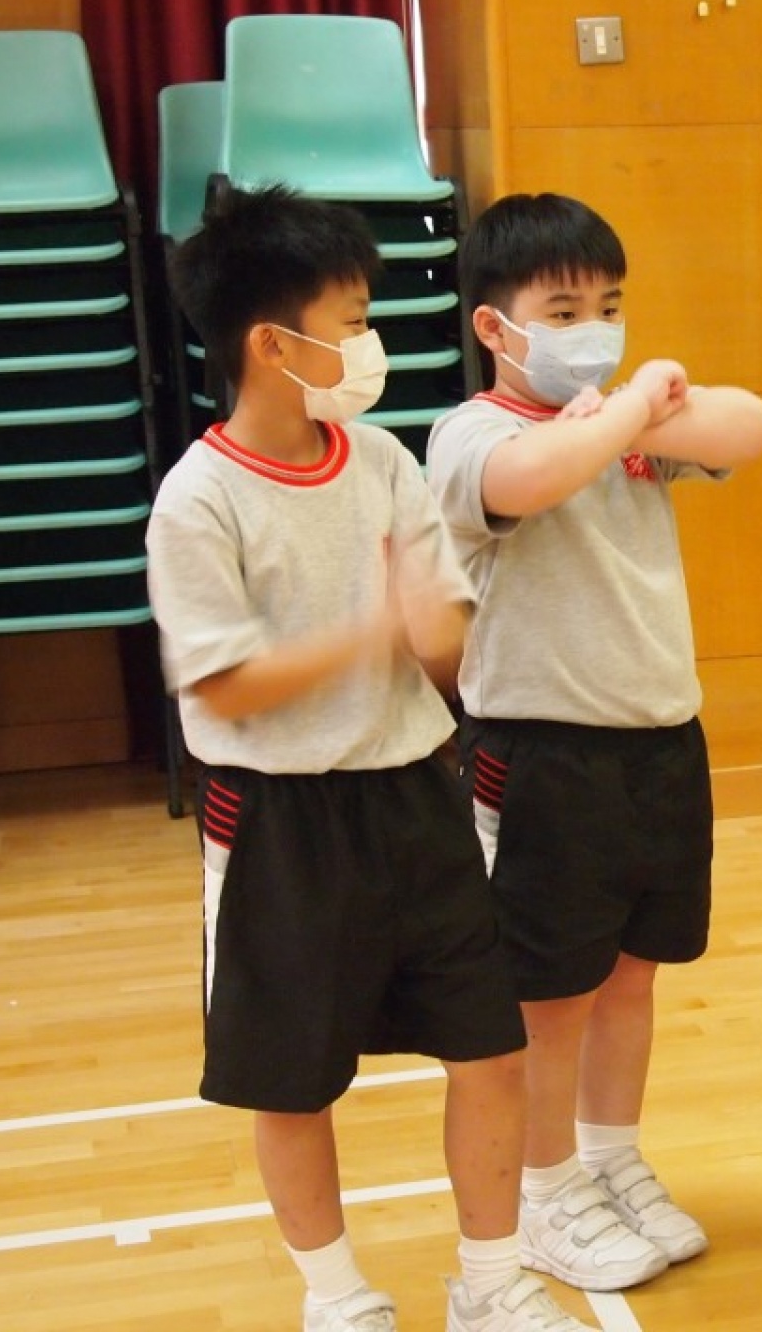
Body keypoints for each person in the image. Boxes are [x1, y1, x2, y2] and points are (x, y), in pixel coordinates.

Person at [146, 186, 596, 1332]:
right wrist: (373, 629)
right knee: (292, 1080)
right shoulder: (198, 500)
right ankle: (337, 1296)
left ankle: (490, 1283)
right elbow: (224, 683)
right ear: (271, 343)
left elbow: (442, 641)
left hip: (417, 799)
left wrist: (433, 628)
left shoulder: (385, 461)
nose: (369, 345)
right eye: (349, 324)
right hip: (279, 822)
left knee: (489, 1050)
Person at [425, 193, 762, 1293]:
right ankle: (543, 1190)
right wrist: (623, 414)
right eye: (565, 310)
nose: (596, 330)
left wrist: (638, 414)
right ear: (497, 328)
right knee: (551, 992)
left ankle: (611, 1159)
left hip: (659, 745)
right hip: (542, 756)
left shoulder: (629, 431)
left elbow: (751, 426)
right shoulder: (474, 432)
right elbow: (525, 481)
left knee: (632, 974)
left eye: (611, 307)